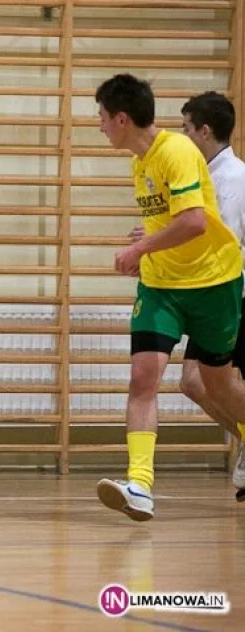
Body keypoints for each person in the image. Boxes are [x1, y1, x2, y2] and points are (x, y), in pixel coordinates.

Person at [95, 74, 245, 521]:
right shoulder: (140, 163)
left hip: (214, 284)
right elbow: (172, 223)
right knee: (143, 377)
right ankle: (139, 485)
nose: (99, 125)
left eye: (102, 117)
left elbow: (196, 222)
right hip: (162, 287)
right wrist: (148, 250)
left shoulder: (176, 152)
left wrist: (139, 248)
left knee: (218, 385)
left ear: (122, 118)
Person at [131, 91, 245, 502]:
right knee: (196, 383)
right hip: (201, 288)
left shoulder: (234, 179)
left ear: (205, 131)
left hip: (228, 291)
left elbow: (215, 238)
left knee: (210, 382)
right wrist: (155, 239)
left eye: (186, 127)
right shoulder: (194, 170)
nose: (181, 135)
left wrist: (156, 243)